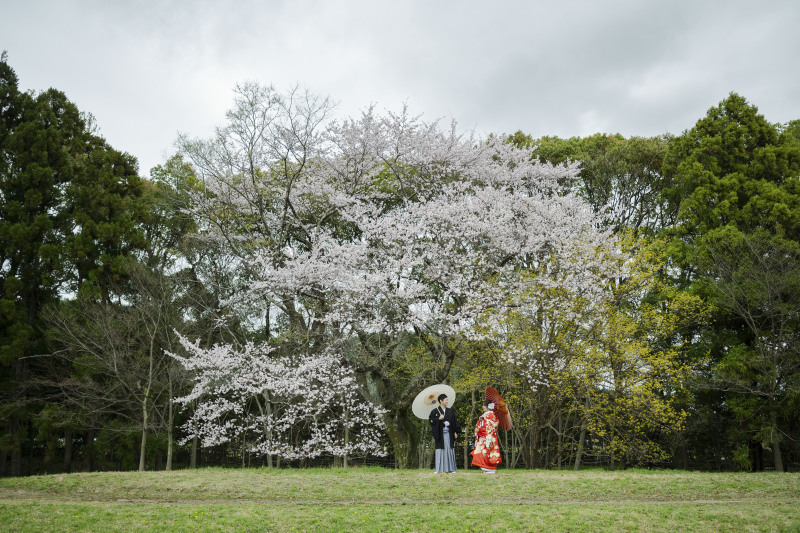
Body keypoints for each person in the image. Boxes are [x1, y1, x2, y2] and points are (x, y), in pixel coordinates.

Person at [429, 393, 460, 473]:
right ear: (441, 401)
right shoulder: (435, 411)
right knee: (440, 449)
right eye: (446, 400)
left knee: (449, 449)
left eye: (447, 400)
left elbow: (454, 422)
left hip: (449, 433)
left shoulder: (450, 411)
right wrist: (438, 419)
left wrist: (455, 431)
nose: (447, 401)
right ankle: (439, 469)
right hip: (440, 434)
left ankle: (451, 468)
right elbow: (431, 421)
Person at [471, 398, 502, 473]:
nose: (483, 407)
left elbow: (495, 423)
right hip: (482, 436)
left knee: (488, 452)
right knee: (481, 451)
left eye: (484, 405)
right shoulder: (484, 414)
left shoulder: (492, 414)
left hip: (488, 437)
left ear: (488, 406)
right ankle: (484, 466)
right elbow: (479, 424)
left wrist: (486, 420)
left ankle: (490, 468)